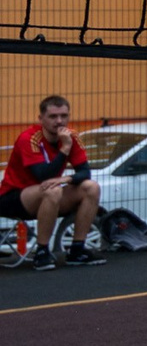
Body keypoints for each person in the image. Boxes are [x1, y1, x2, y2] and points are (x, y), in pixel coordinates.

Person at [1, 95, 103, 268]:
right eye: (53, 117)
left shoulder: (71, 137)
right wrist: (64, 149)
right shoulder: (30, 138)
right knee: (53, 189)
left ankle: (77, 250)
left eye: (64, 116)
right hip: (14, 197)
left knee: (91, 188)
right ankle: (42, 252)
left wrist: (68, 178)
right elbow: (43, 176)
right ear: (41, 119)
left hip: (48, 196)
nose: (59, 121)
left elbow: (85, 172)